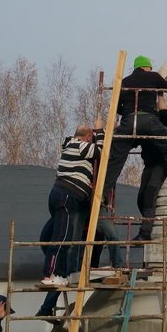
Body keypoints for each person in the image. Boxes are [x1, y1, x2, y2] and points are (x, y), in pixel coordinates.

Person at [102, 55, 167, 196]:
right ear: (146, 67)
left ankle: (102, 194)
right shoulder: (153, 76)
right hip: (149, 120)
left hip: (129, 122)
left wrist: (128, 111)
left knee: (116, 158)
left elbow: (116, 107)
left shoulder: (123, 82)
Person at [39, 123, 103, 288]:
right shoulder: (80, 146)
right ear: (88, 138)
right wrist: (100, 131)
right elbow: (100, 151)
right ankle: (50, 274)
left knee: (51, 235)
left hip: (58, 195)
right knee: (61, 238)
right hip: (67, 197)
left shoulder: (69, 145)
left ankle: (59, 273)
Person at [134, 94, 167, 241]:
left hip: (161, 163)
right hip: (149, 164)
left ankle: (145, 232)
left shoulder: (164, 119)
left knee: (150, 193)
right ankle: (151, 222)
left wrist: (159, 92)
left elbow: (163, 107)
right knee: (141, 198)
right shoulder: (143, 123)